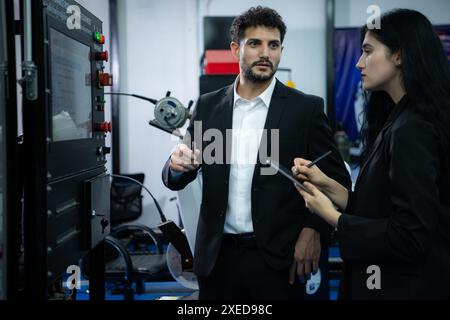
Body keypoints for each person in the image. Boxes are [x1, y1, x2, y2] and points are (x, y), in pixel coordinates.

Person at [162, 6, 351, 300]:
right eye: (255, 44)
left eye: (273, 45)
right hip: (216, 259)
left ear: (281, 50)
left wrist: (313, 230)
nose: (266, 53)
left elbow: (338, 179)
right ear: (236, 49)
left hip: (279, 259)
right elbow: (177, 175)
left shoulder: (305, 110)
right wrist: (176, 165)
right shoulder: (208, 106)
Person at [293, 9, 450, 299]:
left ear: (399, 55)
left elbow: (409, 236)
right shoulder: (398, 120)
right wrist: (326, 184)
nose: (358, 63)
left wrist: (332, 217)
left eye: (368, 51)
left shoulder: (412, 129)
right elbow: (379, 209)